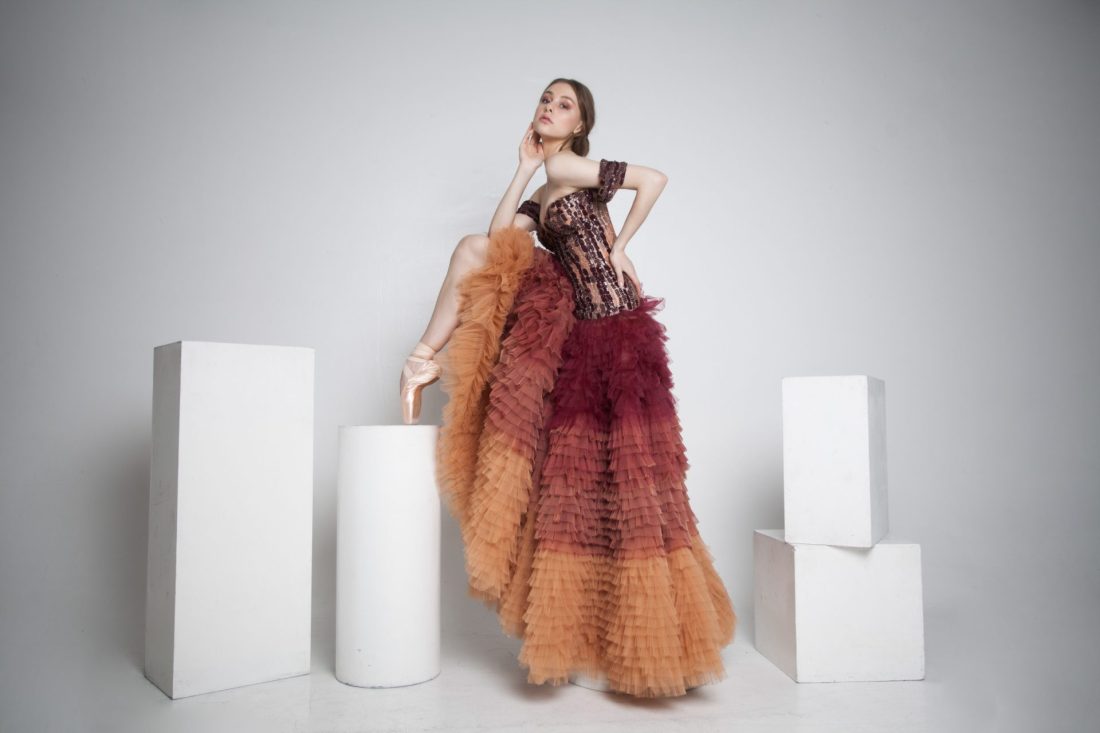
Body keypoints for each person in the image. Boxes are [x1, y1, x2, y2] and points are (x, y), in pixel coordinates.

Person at [399, 78, 736, 698]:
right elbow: (500, 243)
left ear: (579, 124)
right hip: (585, 335)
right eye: (544, 101)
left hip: (616, 330)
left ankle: (424, 357)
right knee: (592, 488)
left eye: (563, 105)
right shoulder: (546, 179)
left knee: (629, 487)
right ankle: (595, 639)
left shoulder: (569, 166)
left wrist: (621, 247)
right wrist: (522, 168)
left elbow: (654, 178)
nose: (548, 109)